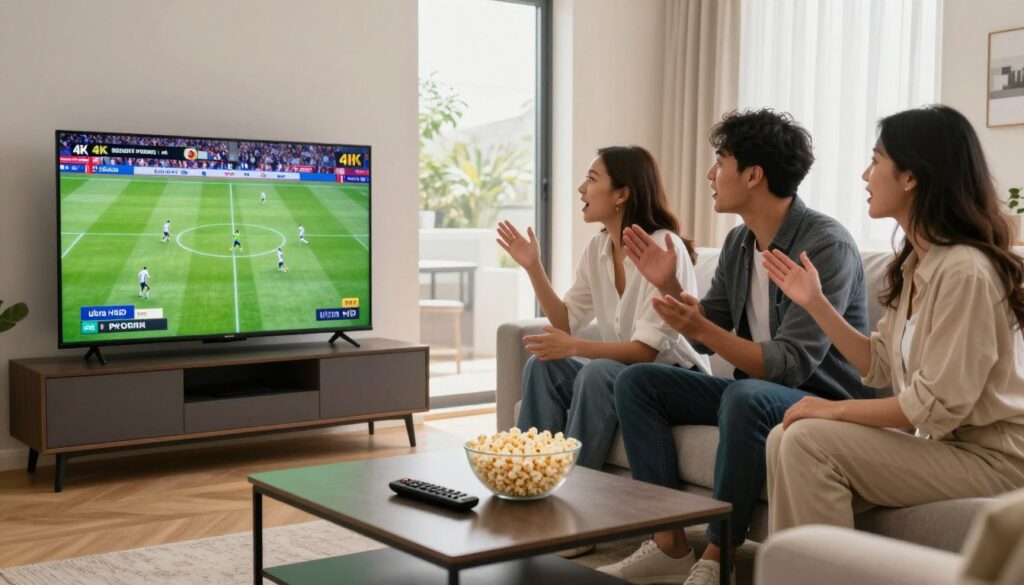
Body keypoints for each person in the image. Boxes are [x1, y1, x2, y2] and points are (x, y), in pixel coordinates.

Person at [599, 109, 869, 585]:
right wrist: (670, 288)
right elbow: (711, 321)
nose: (710, 173)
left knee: (745, 395)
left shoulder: (825, 246)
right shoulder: (741, 242)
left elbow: (790, 364)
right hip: (761, 396)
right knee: (638, 382)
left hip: (823, 403)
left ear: (753, 174)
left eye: (719, 161)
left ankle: (717, 557)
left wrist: (701, 328)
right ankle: (668, 543)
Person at [763, 105, 1024, 537]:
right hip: (950, 448)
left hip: (998, 462)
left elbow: (935, 403)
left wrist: (834, 410)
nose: (866, 176)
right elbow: (878, 364)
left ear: (910, 177)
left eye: (875, 161)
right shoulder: (915, 265)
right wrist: (817, 305)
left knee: (809, 439)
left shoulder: (965, 270)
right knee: (783, 437)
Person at [498, 145, 710, 475]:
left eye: (592, 179)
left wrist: (576, 348)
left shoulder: (665, 248)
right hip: (623, 373)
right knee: (543, 366)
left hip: (673, 379)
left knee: (598, 372)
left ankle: (569, 489)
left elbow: (644, 353)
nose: (582, 188)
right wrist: (534, 268)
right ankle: (528, 478)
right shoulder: (598, 247)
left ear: (621, 193)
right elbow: (566, 322)